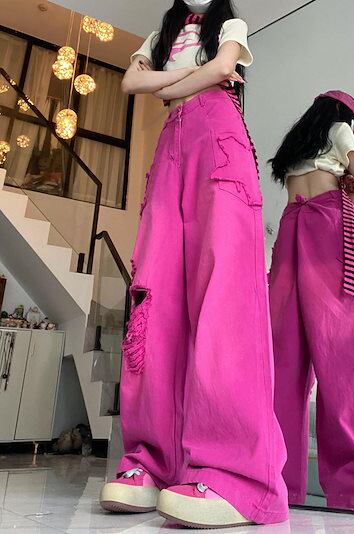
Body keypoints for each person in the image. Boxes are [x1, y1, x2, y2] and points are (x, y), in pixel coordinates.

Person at [100, 0, 288, 528]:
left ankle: (237, 474)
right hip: (171, 144)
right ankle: (150, 461)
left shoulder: (231, 24)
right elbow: (130, 83)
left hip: (219, 137)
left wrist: (164, 83)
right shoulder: (160, 34)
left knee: (225, 292)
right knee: (153, 296)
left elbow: (222, 67)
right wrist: (184, 81)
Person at [268, 90, 354, 513]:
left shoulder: (294, 145)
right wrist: (344, 186)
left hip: (291, 228)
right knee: (348, 361)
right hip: (330, 226)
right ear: (345, 116)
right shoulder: (340, 129)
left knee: (282, 359)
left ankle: (273, 481)